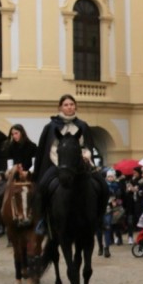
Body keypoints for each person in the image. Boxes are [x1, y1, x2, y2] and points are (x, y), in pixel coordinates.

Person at [34, 94, 106, 232]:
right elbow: (50, 147)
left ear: (75, 106)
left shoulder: (82, 125)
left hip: (80, 165)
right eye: (66, 105)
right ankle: (43, 220)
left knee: (103, 185)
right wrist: (61, 164)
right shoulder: (51, 126)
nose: (69, 107)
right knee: (42, 186)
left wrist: (86, 155)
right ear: (60, 107)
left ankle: (99, 219)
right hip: (57, 164)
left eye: (72, 104)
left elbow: (88, 145)